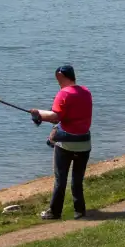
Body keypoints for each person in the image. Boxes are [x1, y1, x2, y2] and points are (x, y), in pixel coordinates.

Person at [29, 65, 92, 220]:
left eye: (57, 77)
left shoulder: (63, 93)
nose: (57, 80)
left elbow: (55, 117)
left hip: (67, 144)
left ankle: (55, 212)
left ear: (61, 76)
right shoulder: (86, 91)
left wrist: (37, 114)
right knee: (77, 180)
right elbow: (67, 115)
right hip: (84, 142)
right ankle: (79, 210)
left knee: (60, 179)